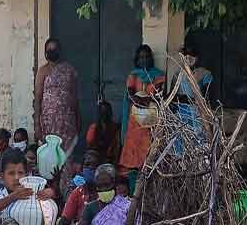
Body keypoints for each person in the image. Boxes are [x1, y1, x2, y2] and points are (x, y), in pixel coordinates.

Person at [119, 44, 166, 172]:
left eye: (146, 57)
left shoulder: (159, 75)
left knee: (150, 151)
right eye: (141, 57)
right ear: (137, 60)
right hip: (135, 121)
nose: (144, 60)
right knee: (134, 158)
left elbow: (159, 95)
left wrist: (142, 100)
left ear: (151, 58)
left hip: (152, 120)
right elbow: (130, 95)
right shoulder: (133, 76)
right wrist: (145, 100)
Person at [34, 38, 80, 152]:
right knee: (51, 155)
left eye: (54, 49)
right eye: (49, 49)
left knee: (66, 155)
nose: (52, 51)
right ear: (45, 53)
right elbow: (38, 99)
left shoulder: (69, 70)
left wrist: (79, 118)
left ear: (59, 51)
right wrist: (37, 125)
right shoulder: (42, 71)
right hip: (48, 122)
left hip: (67, 121)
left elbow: (75, 97)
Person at [171, 44, 213, 140]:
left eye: (192, 54)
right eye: (186, 54)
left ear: (197, 57)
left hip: (198, 112)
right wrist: (182, 99)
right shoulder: (177, 75)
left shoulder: (205, 74)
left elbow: (207, 94)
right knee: (182, 139)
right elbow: (172, 95)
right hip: (181, 112)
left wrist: (196, 100)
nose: (188, 57)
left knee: (198, 139)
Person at [85, 101, 120, 165]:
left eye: (105, 112)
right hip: (98, 157)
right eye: (103, 112)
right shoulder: (94, 127)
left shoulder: (115, 127)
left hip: (107, 158)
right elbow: (89, 144)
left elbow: (89, 143)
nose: (104, 115)